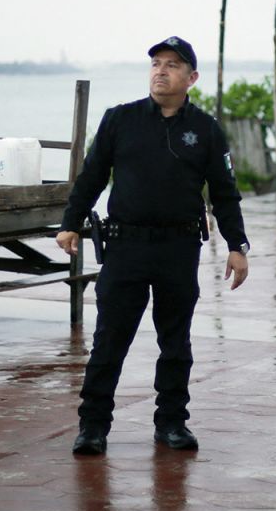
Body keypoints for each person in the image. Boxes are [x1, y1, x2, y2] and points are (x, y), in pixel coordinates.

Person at [57, 35, 250, 456]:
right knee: (109, 341)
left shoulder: (205, 130)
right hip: (125, 246)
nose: (161, 71)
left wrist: (238, 245)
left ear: (191, 77)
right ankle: (92, 427)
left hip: (179, 250)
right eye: (156, 64)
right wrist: (70, 223)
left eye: (173, 65)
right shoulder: (119, 120)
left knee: (175, 342)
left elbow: (224, 191)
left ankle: (172, 423)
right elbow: (91, 177)